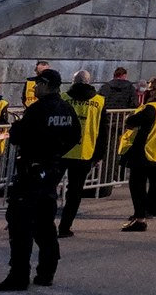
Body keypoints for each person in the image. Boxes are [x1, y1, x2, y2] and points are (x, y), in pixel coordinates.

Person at [0, 69, 79, 292]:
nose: (34, 88)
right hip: (51, 172)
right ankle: (46, 271)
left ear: (46, 84)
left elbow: (18, 137)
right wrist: (56, 156)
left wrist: (17, 129)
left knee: (20, 225)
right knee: (45, 225)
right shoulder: (67, 110)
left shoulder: (37, 110)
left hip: (31, 173)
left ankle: (19, 275)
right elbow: (74, 137)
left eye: (37, 84)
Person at [57, 72, 105, 239]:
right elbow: (103, 130)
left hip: (61, 150)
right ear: (89, 81)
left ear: (73, 81)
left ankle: (40, 223)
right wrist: (99, 153)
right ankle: (65, 227)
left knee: (48, 187)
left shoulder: (63, 97)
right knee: (75, 192)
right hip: (85, 150)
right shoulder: (99, 101)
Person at [118, 79, 156, 232]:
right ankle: (154, 209)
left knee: (137, 185)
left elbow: (132, 120)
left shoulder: (150, 108)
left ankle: (139, 218)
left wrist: (131, 117)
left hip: (144, 150)